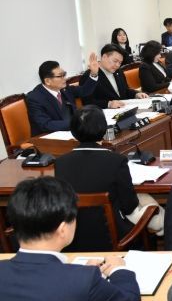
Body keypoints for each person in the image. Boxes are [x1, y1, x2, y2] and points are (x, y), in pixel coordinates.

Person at [0, 177, 165, 301]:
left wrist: (82, 275)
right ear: (63, 229)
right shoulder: (82, 281)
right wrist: (119, 270)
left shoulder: (80, 278)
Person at [54, 106, 165, 249]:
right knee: (155, 211)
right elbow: (129, 206)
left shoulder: (60, 163)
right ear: (103, 129)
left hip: (73, 239)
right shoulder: (116, 161)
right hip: (116, 239)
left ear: (73, 131)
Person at [26, 53, 99, 136]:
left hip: (73, 133)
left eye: (64, 74)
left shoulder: (64, 89)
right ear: (47, 81)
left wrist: (94, 73)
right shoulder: (35, 98)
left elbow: (84, 91)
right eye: (60, 76)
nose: (65, 78)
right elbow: (45, 125)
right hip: (50, 138)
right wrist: (77, 122)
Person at [80, 43, 149, 108]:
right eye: (115, 61)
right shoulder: (89, 75)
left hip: (124, 108)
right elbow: (87, 102)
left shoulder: (119, 71)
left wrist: (136, 94)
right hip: (105, 113)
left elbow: (125, 91)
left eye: (120, 63)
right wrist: (108, 104)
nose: (117, 65)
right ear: (104, 57)